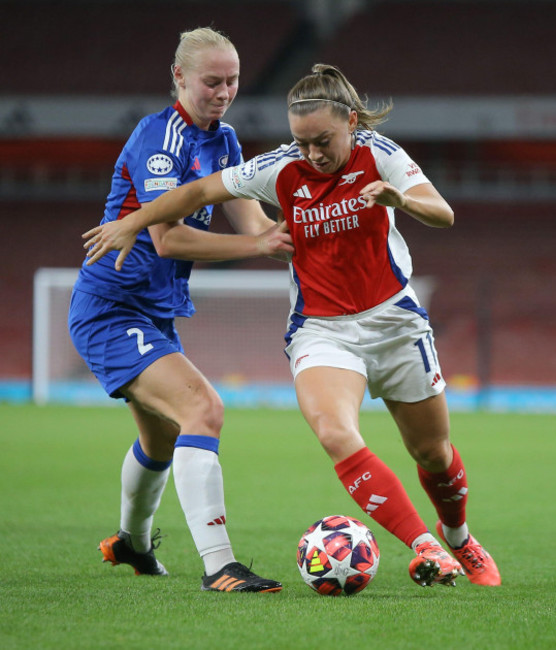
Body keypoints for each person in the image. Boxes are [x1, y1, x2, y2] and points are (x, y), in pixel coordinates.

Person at [83, 63, 501, 588]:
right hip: (322, 329)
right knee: (334, 432)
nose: (312, 154)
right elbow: (196, 194)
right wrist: (133, 221)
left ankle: (459, 537)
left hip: (394, 320)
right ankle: (425, 547)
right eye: (302, 142)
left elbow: (443, 213)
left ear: (351, 122)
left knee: (432, 452)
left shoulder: (383, 154)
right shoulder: (279, 167)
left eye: (323, 141)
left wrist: (400, 200)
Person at [68, 27, 294, 593]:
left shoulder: (225, 140)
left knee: (161, 441)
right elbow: (167, 240)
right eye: (212, 81)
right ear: (179, 78)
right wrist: (257, 246)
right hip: (111, 306)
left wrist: (302, 237)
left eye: (233, 81)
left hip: (153, 313)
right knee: (204, 409)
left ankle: (131, 545)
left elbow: (257, 225)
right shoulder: (160, 138)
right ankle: (220, 566)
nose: (224, 92)